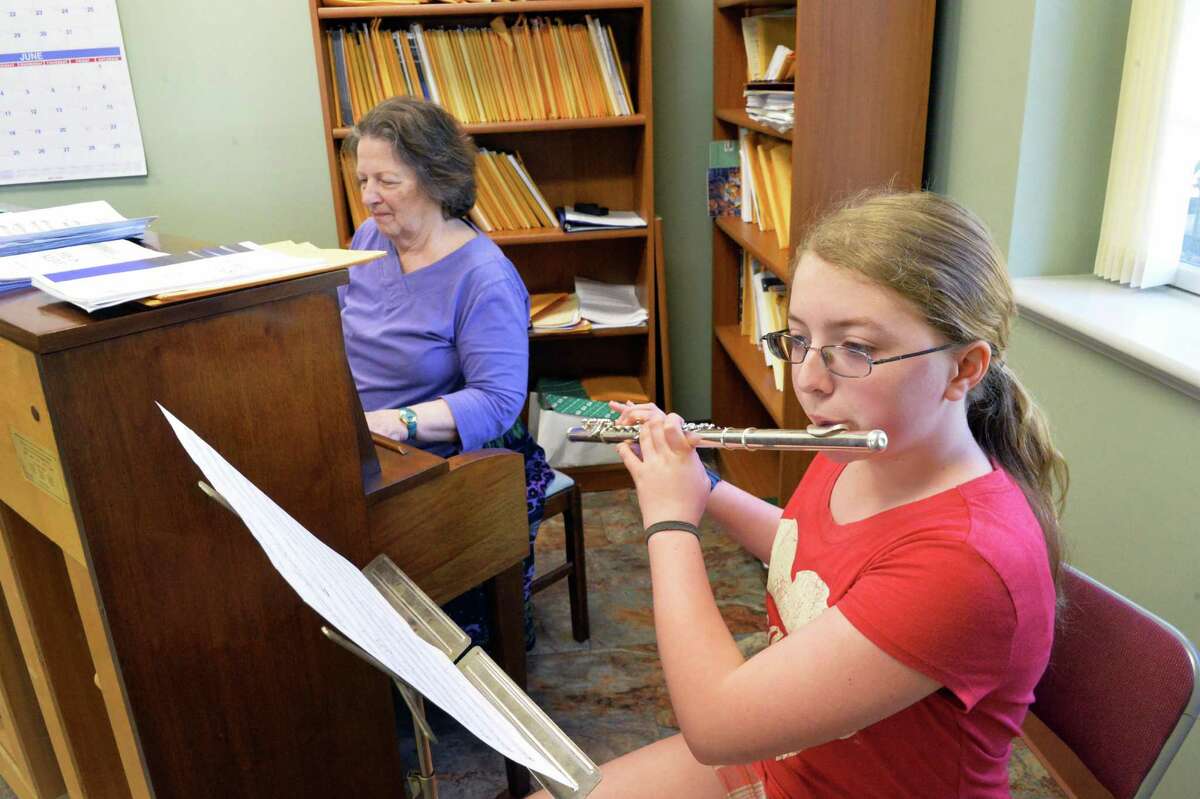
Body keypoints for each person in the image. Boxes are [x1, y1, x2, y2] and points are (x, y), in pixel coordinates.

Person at [535, 190, 1068, 798]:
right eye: (798, 339)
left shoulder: (965, 560)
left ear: (964, 369)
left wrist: (669, 521)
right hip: (791, 760)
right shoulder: (864, 451)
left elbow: (715, 725)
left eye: (857, 348)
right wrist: (700, 483)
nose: (810, 381)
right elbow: (806, 549)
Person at [338, 97, 552, 646]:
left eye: (387, 180)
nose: (368, 198)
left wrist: (394, 423)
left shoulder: (484, 278)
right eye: (363, 178)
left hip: (436, 454)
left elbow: (498, 401)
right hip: (363, 435)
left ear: (435, 179)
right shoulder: (369, 240)